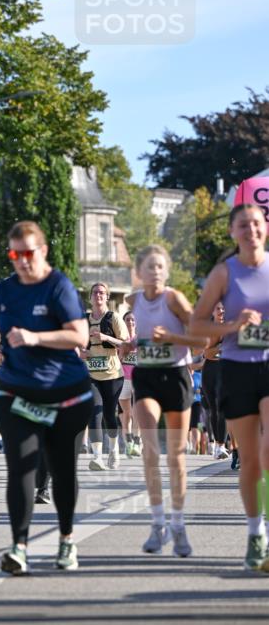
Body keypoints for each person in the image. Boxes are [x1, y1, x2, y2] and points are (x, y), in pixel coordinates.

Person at [0, 221, 91, 573]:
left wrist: (33, 338)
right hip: (15, 391)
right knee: (21, 469)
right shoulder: (5, 290)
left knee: (61, 470)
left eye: (29, 253)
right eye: (15, 254)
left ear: (42, 251)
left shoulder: (58, 287)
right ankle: (19, 547)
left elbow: (80, 336)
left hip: (65, 395)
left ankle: (66, 540)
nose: (23, 261)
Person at [190, 204, 269, 571]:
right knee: (250, 459)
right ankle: (255, 533)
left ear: (265, 228)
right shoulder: (224, 273)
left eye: (256, 223)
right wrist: (232, 326)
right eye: (243, 225)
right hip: (236, 369)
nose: (251, 230)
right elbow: (197, 325)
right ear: (233, 232)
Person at [123, 245, 205, 558]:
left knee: (177, 455)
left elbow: (201, 340)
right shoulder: (133, 301)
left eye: (160, 267)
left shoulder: (175, 299)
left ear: (166, 272)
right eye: (149, 267)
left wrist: (172, 339)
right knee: (150, 449)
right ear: (139, 273)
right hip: (146, 377)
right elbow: (140, 336)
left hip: (176, 377)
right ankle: (157, 523)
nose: (155, 272)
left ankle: (178, 523)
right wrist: (133, 343)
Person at [80, 283, 128, 470]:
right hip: (91, 375)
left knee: (109, 415)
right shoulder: (83, 320)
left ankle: (114, 451)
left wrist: (106, 338)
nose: (98, 295)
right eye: (95, 293)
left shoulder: (113, 318)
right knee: (95, 412)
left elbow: (125, 344)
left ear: (107, 297)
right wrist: (80, 352)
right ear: (90, 297)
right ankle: (97, 457)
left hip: (113, 375)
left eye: (102, 293)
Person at [201, 302, 230, 461]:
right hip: (209, 371)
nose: (221, 311)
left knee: (222, 406)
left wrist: (217, 348)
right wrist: (222, 347)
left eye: (223, 308)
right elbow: (207, 354)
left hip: (225, 370)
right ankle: (217, 446)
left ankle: (221, 444)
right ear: (212, 311)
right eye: (218, 308)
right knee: (213, 409)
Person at [119, 309, 141, 457]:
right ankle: (128, 443)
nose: (130, 322)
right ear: (123, 322)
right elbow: (116, 359)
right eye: (127, 320)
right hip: (122, 379)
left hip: (138, 379)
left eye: (133, 320)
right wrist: (122, 354)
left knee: (137, 412)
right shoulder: (119, 339)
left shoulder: (140, 339)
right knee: (127, 413)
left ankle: (137, 442)